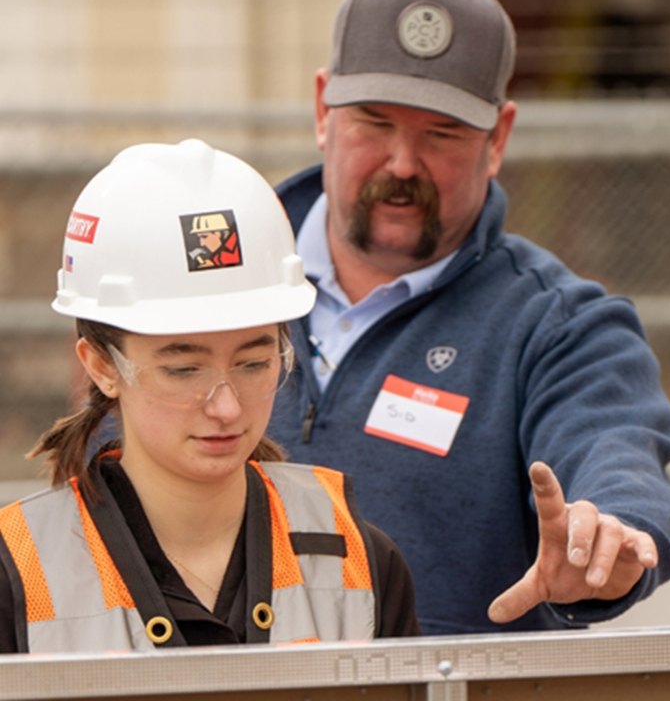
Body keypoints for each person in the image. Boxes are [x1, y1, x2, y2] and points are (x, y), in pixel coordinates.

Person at [268, 0, 670, 635]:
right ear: (323, 109)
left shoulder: (559, 328)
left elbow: (614, 448)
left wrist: (604, 534)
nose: (402, 163)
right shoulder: (214, 287)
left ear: (499, 139)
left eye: (442, 134)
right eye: (375, 123)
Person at [0, 139, 420, 652]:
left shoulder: (360, 561)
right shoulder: (17, 573)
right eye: (183, 370)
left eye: (253, 364)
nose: (227, 407)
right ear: (102, 366)